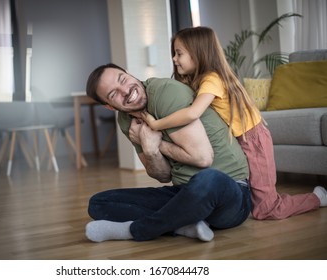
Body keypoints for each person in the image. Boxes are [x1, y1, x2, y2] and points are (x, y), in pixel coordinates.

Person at [140, 26, 327, 220]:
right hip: (240, 139)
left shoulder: (211, 79)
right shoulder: (200, 80)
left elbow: (193, 112)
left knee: (266, 209)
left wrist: (156, 125)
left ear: (198, 53)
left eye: (179, 53)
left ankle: (316, 198)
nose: (174, 59)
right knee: (252, 200)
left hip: (254, 139)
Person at [84, 63, 252, 242]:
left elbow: (203, 158)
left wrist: (156, 143)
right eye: (113, 94)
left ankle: (136, 230)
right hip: (183, 194)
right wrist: (150, 150)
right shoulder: (127, 121)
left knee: (208, 179)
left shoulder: (166, 92)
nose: (125, 91)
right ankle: (183, 225)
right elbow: (163, 176)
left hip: (229, 194)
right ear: (109, 106)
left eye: (123, 80)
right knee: (99, 203)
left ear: (130, 74)